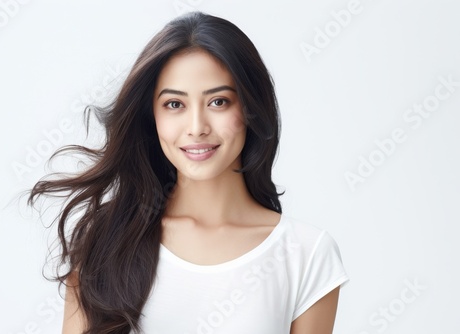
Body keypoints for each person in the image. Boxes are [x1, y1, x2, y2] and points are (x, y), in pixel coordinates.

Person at [29, 11, 349, 334]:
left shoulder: (306, 254)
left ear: (251, 108)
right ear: (151, 116)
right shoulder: (107, 242)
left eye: (219, 102)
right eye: (174, 105)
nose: (197, 128)